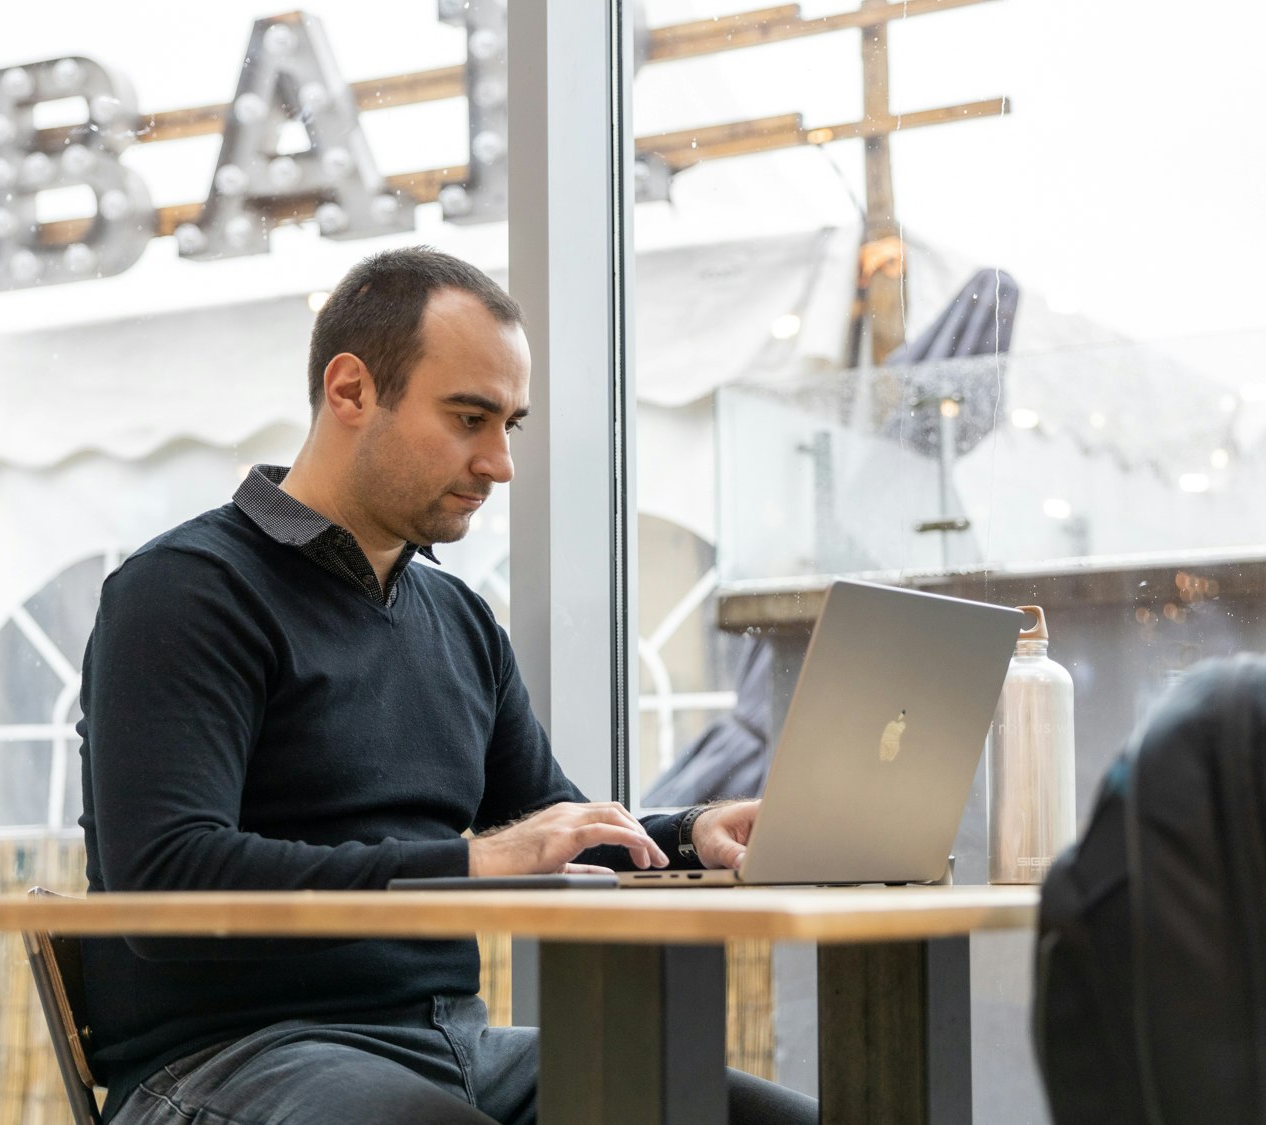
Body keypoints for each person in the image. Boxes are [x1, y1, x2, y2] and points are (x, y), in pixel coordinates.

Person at [77, 247, 817, 1125]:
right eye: (470, 417)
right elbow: (166, 877)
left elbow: (551, 824)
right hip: (232, 1057)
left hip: (455, 1047)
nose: (499, 463)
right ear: (350, 391)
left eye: (510, 423)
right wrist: (473, 860)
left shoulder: (459, 620)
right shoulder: (187, 591)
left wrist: (692, 834)